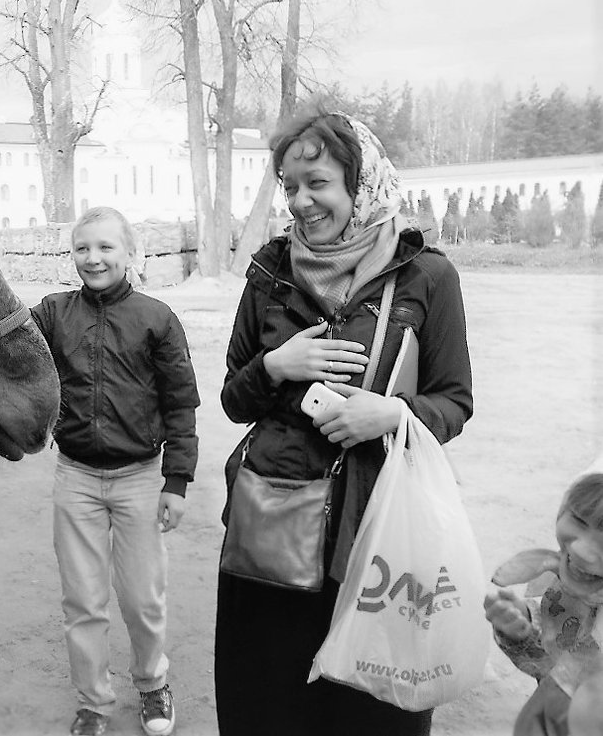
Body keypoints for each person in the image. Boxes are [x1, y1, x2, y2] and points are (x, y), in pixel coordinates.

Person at [215, 109, 473, 735]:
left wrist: (393, 414)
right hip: (273, 529)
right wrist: (276, 365)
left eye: (318, 183)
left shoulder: (427, 276)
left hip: (377, 534)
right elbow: (233, 399)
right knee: (266, 704)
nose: (300, 201)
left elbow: (455, 401)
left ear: (361, 186)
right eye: (289, 185)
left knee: (371, 711)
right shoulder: (270, 273)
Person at [31, 206, 200, 736]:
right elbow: (5, 343)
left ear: (131, 253)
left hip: (140, 479)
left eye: (106, 247)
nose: (93, 258)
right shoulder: (54, 314)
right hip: (76, 476)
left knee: (143, 598)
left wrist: (177, 481)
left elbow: (180, 405)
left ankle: (152, 686)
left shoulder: (157, 319)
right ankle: (93, 705)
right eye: (82, 248)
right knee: (82, 600)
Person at [485, 469, 603, 736]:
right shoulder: (565, 580)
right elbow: (548, 666)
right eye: (580, 520)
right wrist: (522, 627)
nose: (582, 550)